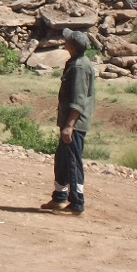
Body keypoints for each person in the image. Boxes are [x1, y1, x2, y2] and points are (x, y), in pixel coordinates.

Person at [42, 28, 97, 215]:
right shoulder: (76, 63)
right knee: (63, 160)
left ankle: (77, 203)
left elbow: (78, 101)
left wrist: (69, 126)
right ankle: (59, 198)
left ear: (72, 46)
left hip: (74, 125)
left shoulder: (80, 67)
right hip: (70, 123)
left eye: (67, 41)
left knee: (72, 162)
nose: (64, 42)